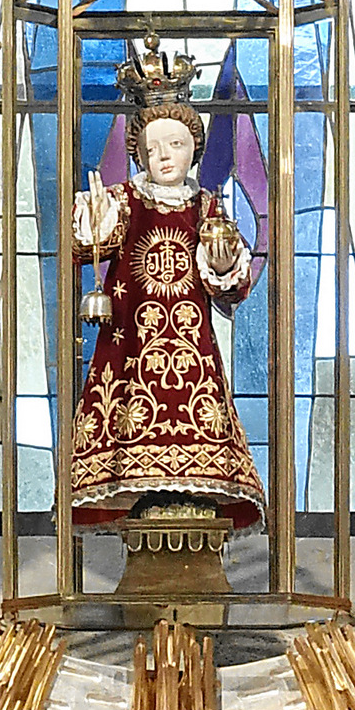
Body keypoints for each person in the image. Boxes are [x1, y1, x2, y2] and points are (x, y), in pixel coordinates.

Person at [70, 44, 266, 534]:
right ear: (138, 152)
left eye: (175, 144)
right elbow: (88, 245)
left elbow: (231, 282)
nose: (163, 156)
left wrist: (222, 262)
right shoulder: (124, 200)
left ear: (193, 149)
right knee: (127, 410)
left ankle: (193, 495)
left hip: (191, 344)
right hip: (131, 341)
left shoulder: (206, 206)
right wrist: (94, 223)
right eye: (152, 147)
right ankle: (136, 491)